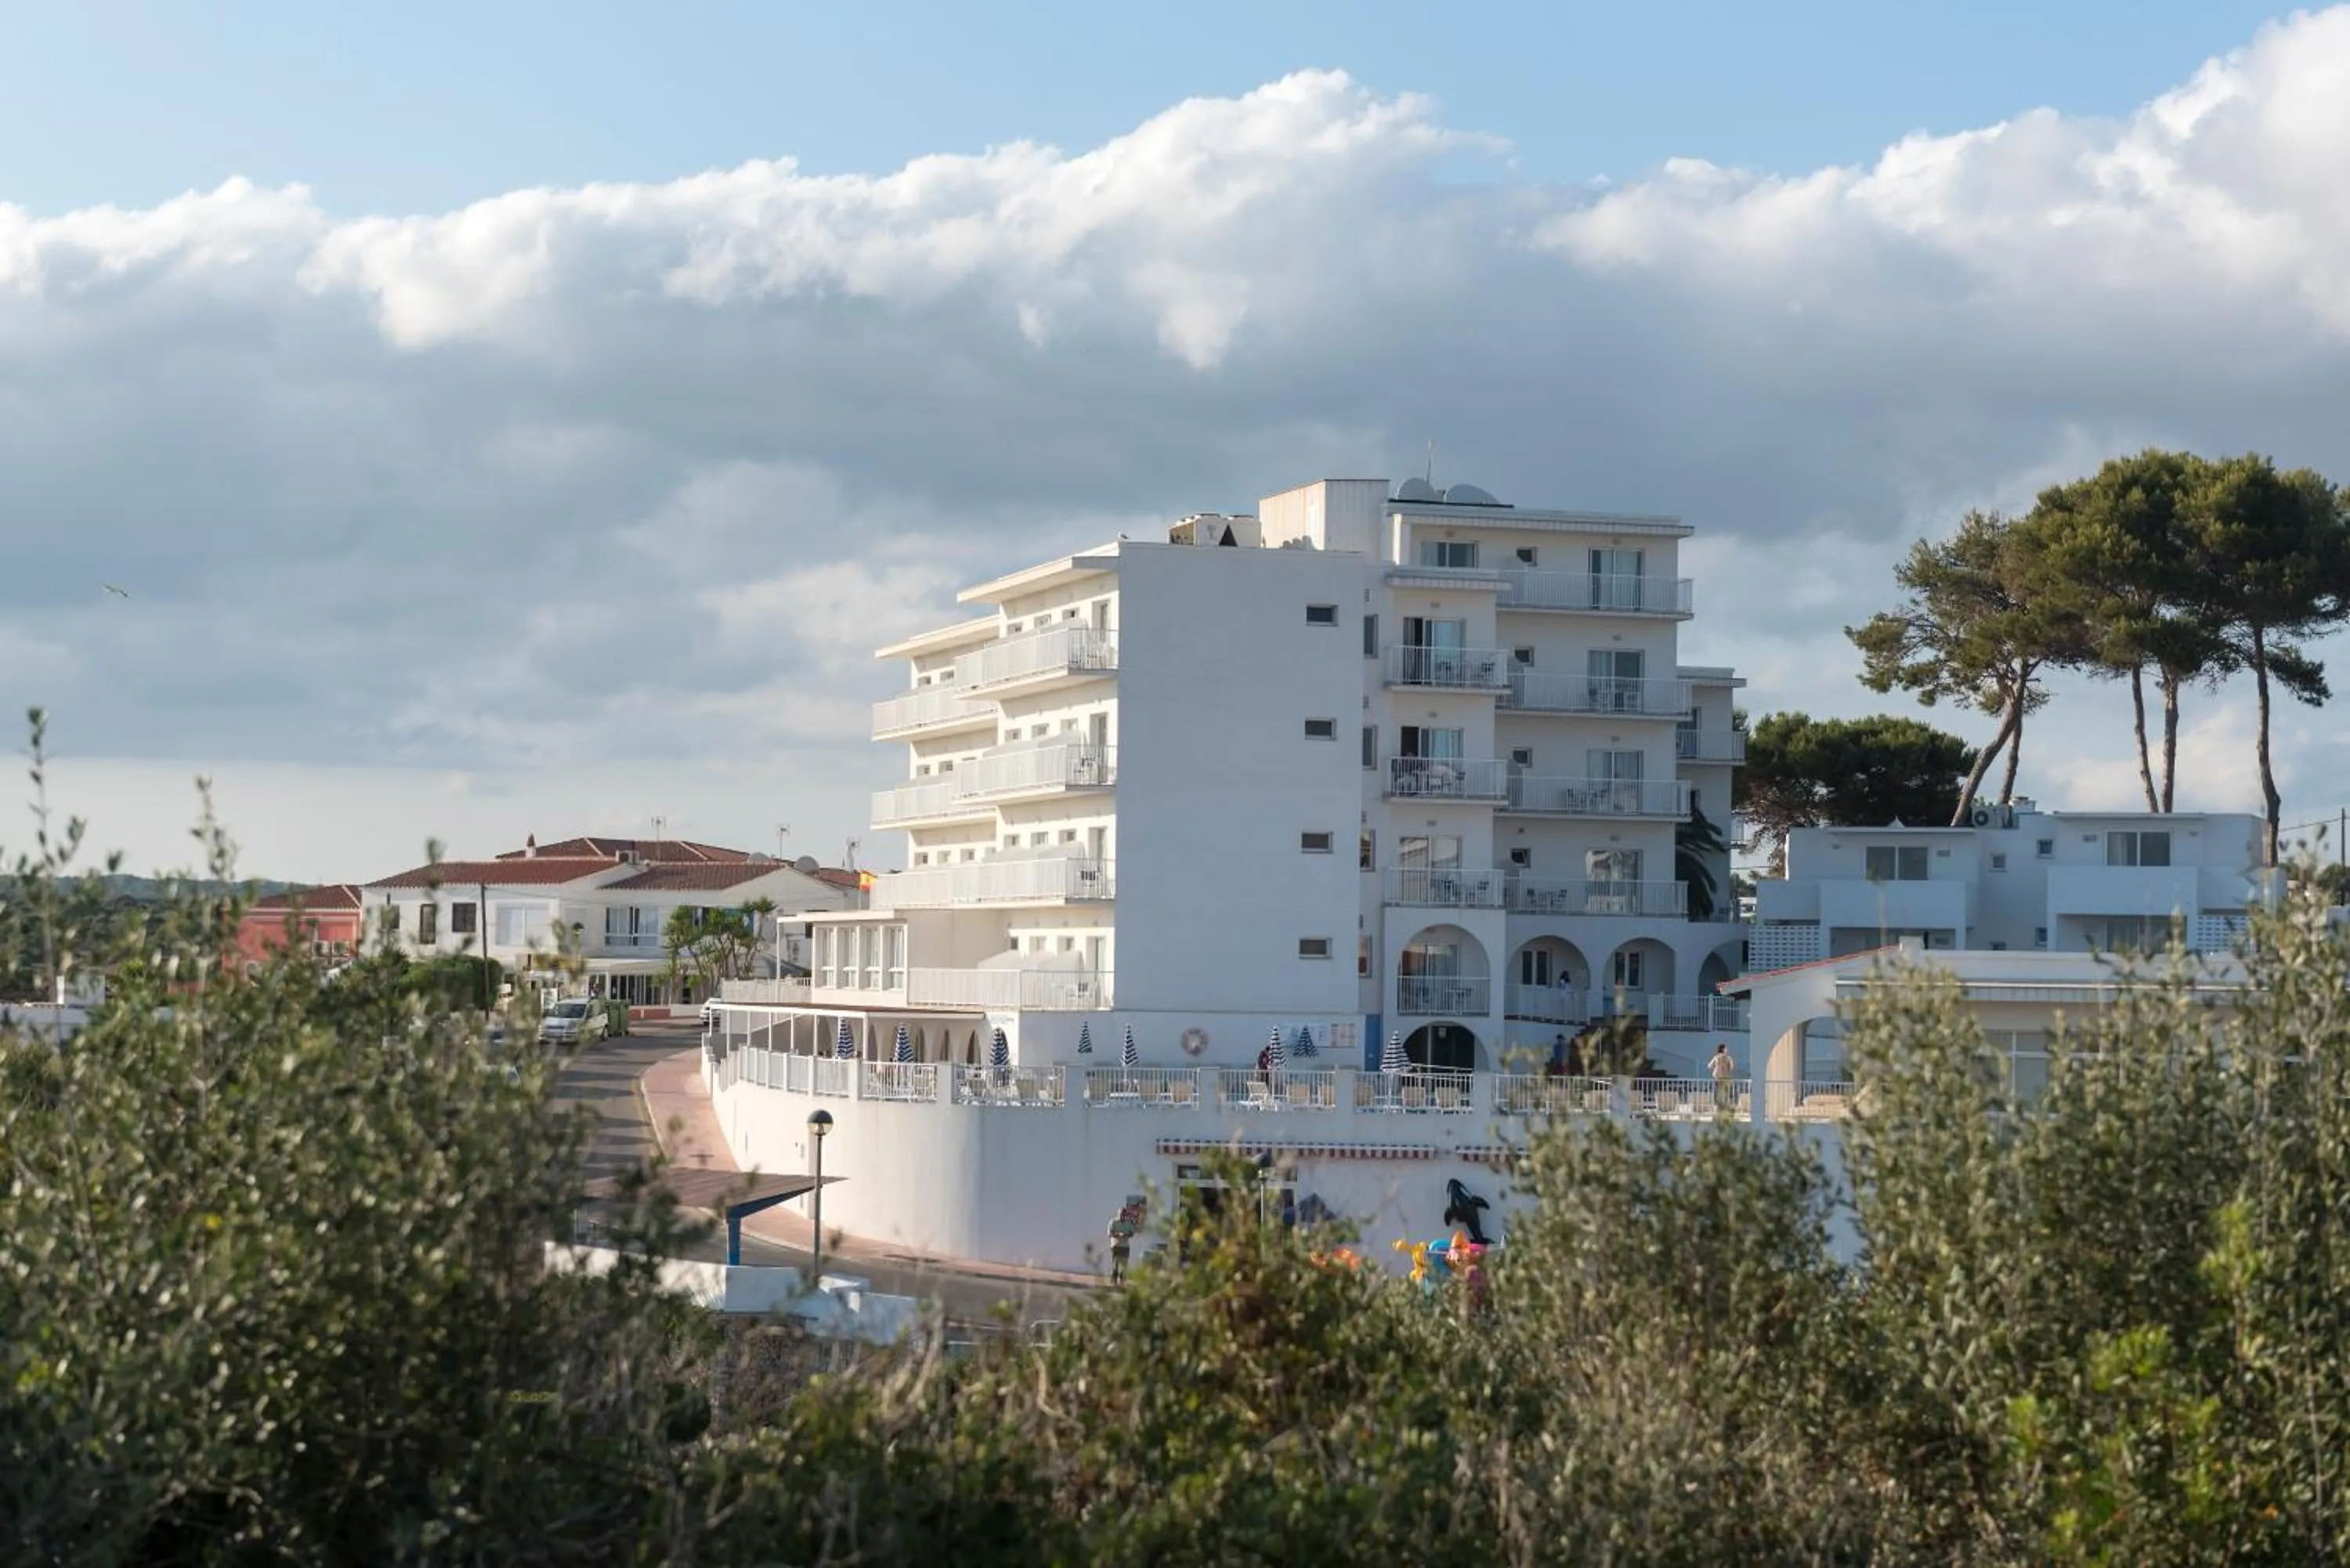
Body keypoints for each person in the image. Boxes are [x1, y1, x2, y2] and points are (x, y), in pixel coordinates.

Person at [1707, 1042, 1737, 1114]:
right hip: (1724, 1078)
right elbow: (1731, 1068)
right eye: (1726, 1048)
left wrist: (1716, 1068)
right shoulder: (1728, 1058)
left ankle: (1717, 1109)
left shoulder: (1716, 1057)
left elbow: (1709, 1066)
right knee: (1726, 1095)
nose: (1727, 1050)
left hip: (1717, 1078)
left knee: (1717, 1094)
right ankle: (1725, 1109)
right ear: (1723, 1049)